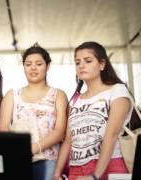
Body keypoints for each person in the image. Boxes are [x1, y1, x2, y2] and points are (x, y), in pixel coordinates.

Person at [53, 42, 133, 180]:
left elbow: (112, 134)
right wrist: (57, 173)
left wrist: (95, 175)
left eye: (88, 61)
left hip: (109, 166)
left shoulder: (117, 90)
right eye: (77, 62)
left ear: (102, 64)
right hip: (76, 170)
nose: (81, 66)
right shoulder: (75, 100)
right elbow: (68, 140)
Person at [0, 45, 68, 180]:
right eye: (28, 64)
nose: (33, 68)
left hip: (49, 160)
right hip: (18, 160)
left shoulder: (58, 94)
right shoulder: (12, 95)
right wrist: (19, 151)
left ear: (47, 67)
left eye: (39, 64)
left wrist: (31, 149)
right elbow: (3, 128)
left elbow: (60, 131)